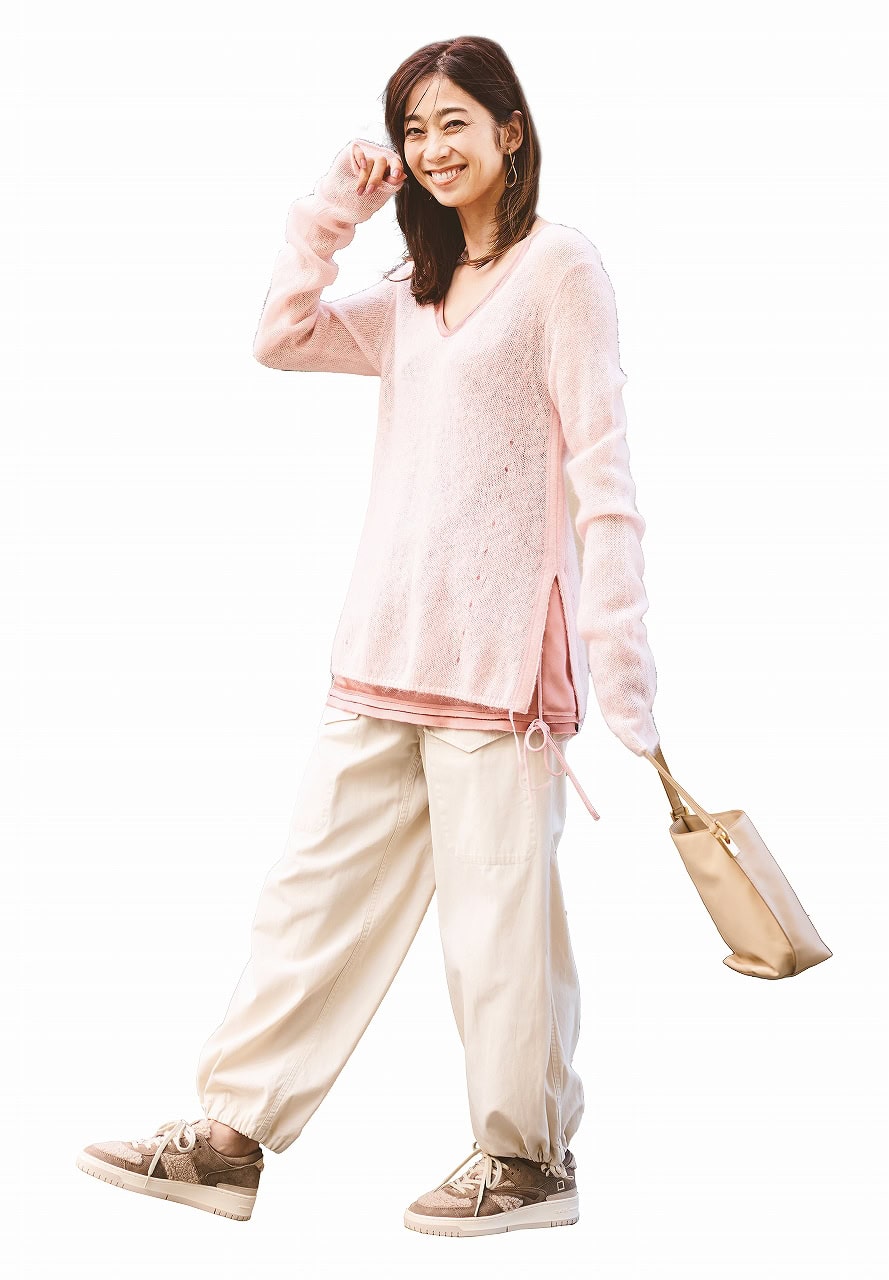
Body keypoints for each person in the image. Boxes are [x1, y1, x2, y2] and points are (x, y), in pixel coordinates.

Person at [76, 35, 664, 1237]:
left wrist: (621, 660)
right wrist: (328, 211)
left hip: (500, 673)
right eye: (413, 129)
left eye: (455, 122)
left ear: (510, 130)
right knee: (310, 900)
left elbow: (603, 474)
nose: (433, 148)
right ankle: (229, 1139)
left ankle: (526, 1160)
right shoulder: (413, 294)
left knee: (496, 928)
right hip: (383, 651)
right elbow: (280, 334)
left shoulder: (561, 268)